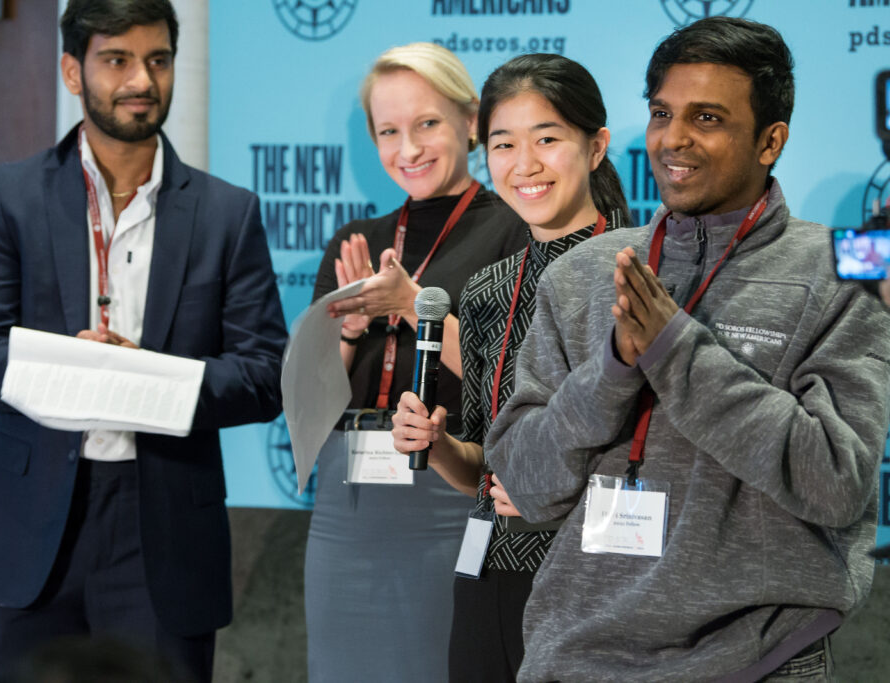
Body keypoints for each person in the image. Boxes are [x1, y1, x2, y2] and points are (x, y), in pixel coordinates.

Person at [484, 17, 890, 682]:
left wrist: (675, 352)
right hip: (577, 659)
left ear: (771, 140)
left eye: (707, 117)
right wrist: (611, 372)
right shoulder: (585, 273)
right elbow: (525, 483)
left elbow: (835, 479)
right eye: (662, 113)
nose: (674, 138)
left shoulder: (849, 268)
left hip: (760, 660)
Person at [0, 1, 286, 681]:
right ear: (74, 72)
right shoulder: (9, 196)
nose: (142, 79)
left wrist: (146, 378)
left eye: (158, 60)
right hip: (26, 526)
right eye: (117, 60)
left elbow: (263, 375)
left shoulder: (226, 212)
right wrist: (76, 366)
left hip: (161, 529)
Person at [390, 53, 629, 682]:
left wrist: (552, 496)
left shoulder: (636, 276)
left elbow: (660, 466)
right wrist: (438, 445)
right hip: (491, 574)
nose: (524, 164)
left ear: (596, 146)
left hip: (595, 578)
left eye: (547, 139)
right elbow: (484, 470)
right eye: (504, 144)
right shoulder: (489, 289)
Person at [305, 42, 528, 683]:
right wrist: (347, 333)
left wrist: (409, 305)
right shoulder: (359, 242)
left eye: (427, 124)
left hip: (451, 491)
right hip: (347, 506)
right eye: (389, 131)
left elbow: (511, 375)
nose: (409, 149)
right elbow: (315, 406)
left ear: (470, 120)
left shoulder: (514, 229)